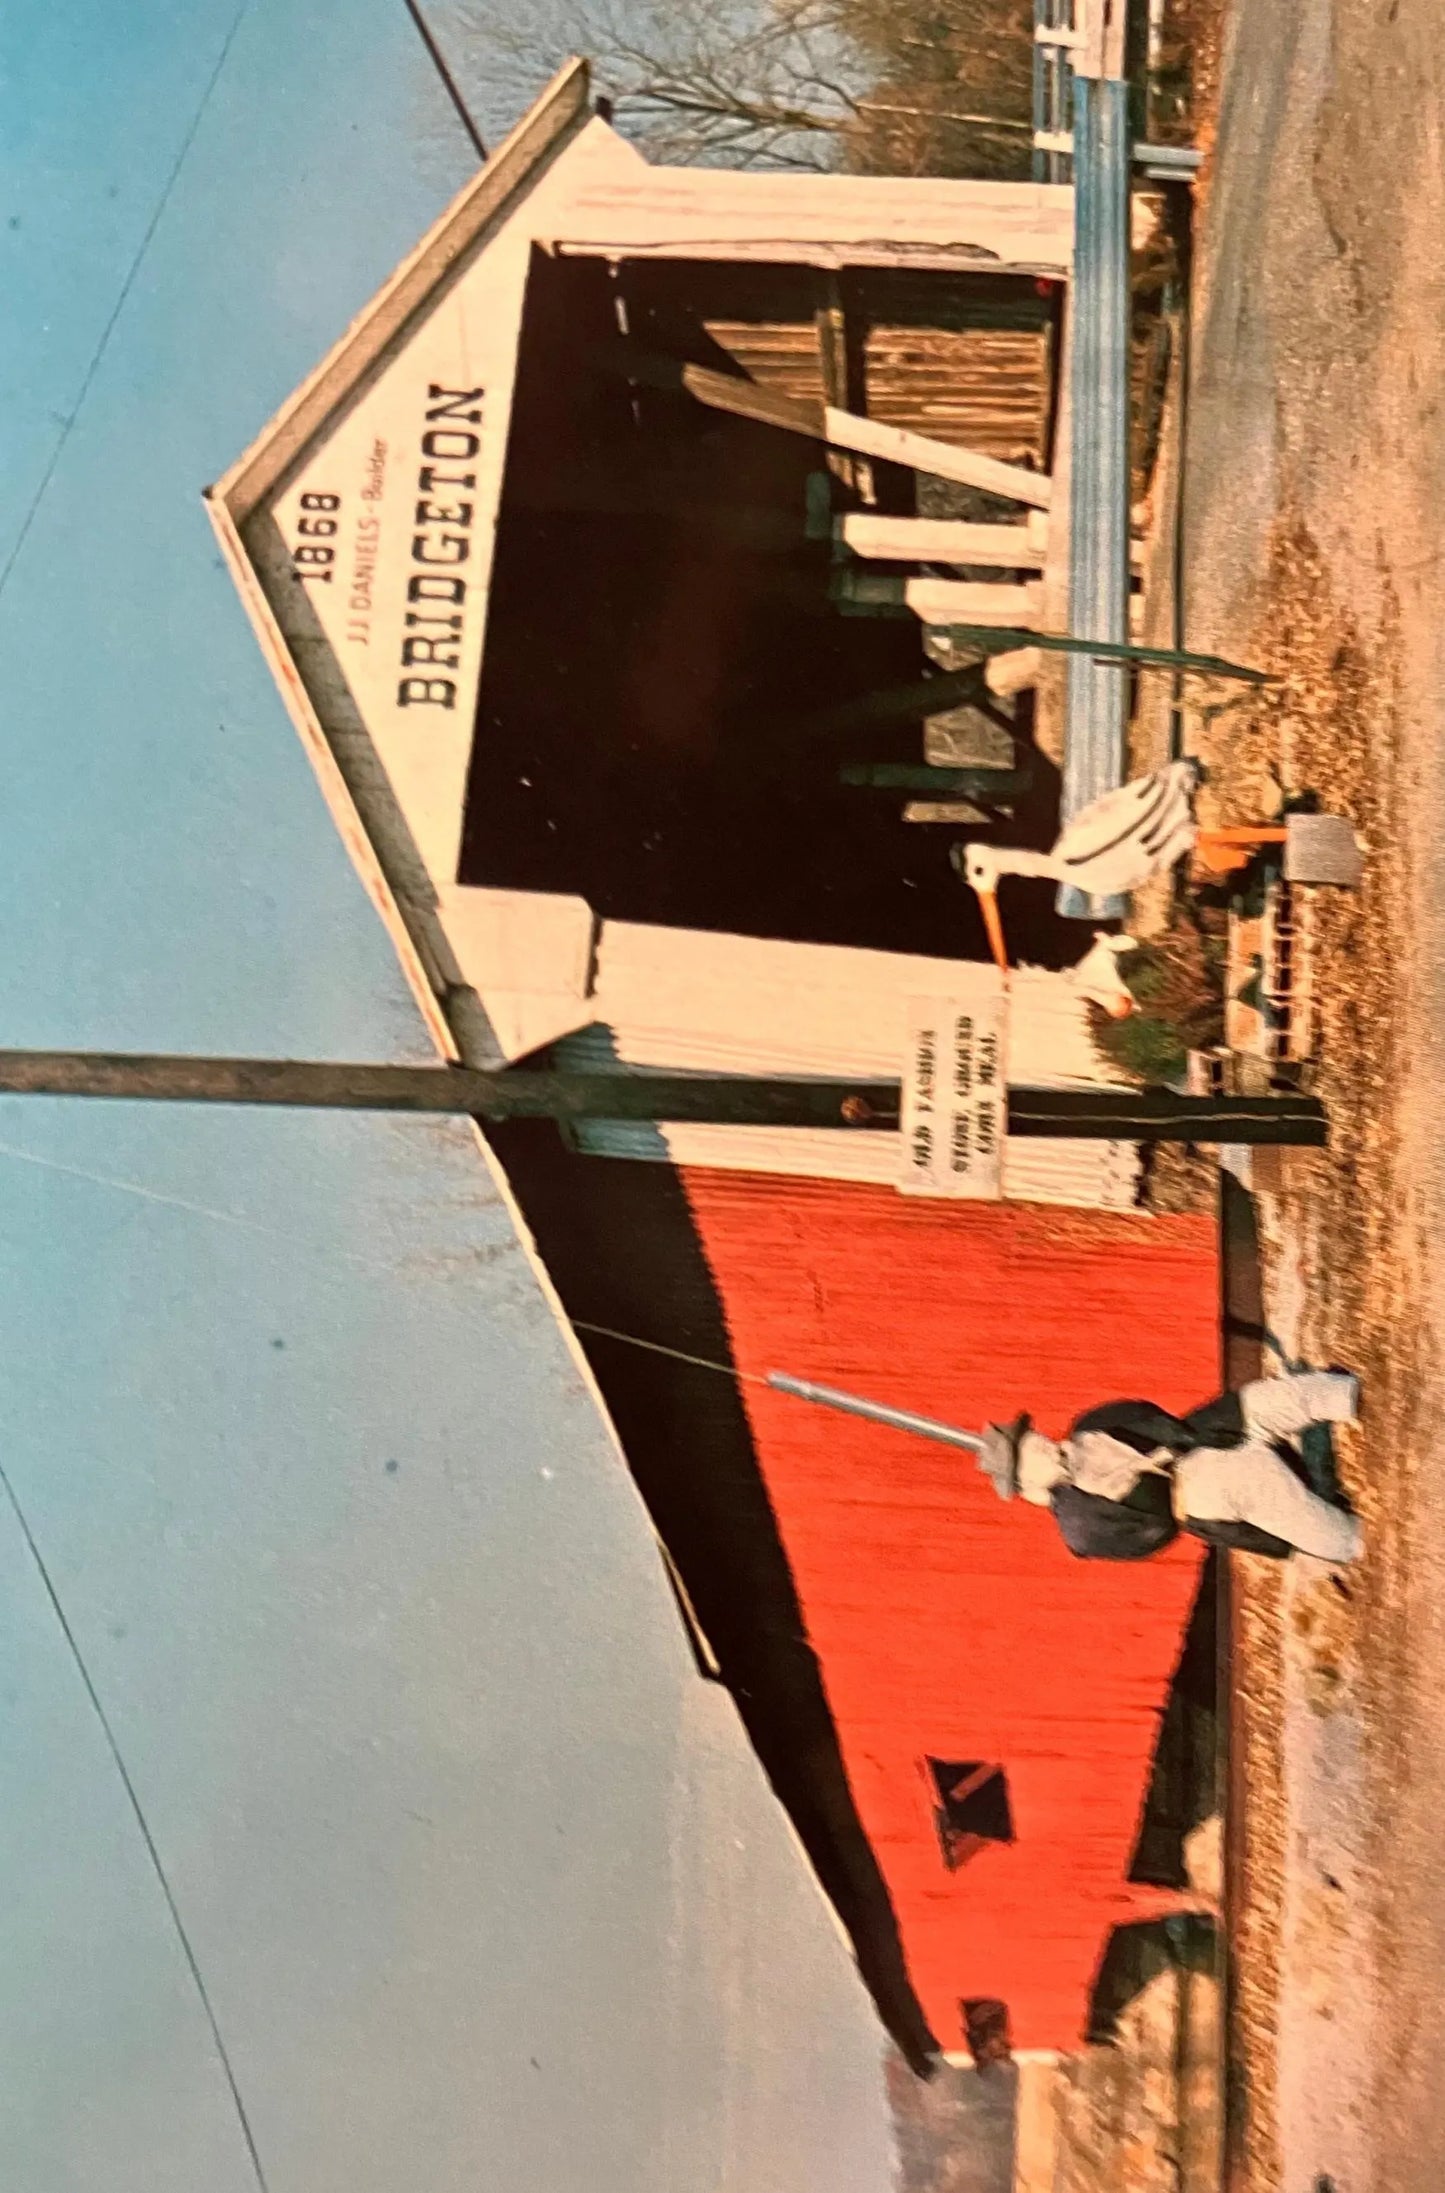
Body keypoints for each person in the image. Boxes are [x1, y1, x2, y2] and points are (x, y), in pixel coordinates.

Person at [976, 1370, 1362, 1565]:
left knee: (1273, 1399)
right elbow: (1153, 1535)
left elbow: (1150, 1416)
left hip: (1197, 1436)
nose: (1042, 1445)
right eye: (1030, 1455)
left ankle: (1354, 1396)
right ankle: (1349, 1538)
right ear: (1027, 1486)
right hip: (1198, 1493)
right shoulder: (1080, 1525)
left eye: (1032, 1438)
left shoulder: (1088, 1427)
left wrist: (1186, 1444)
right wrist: (1171, 1490)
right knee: (1268, 1491)